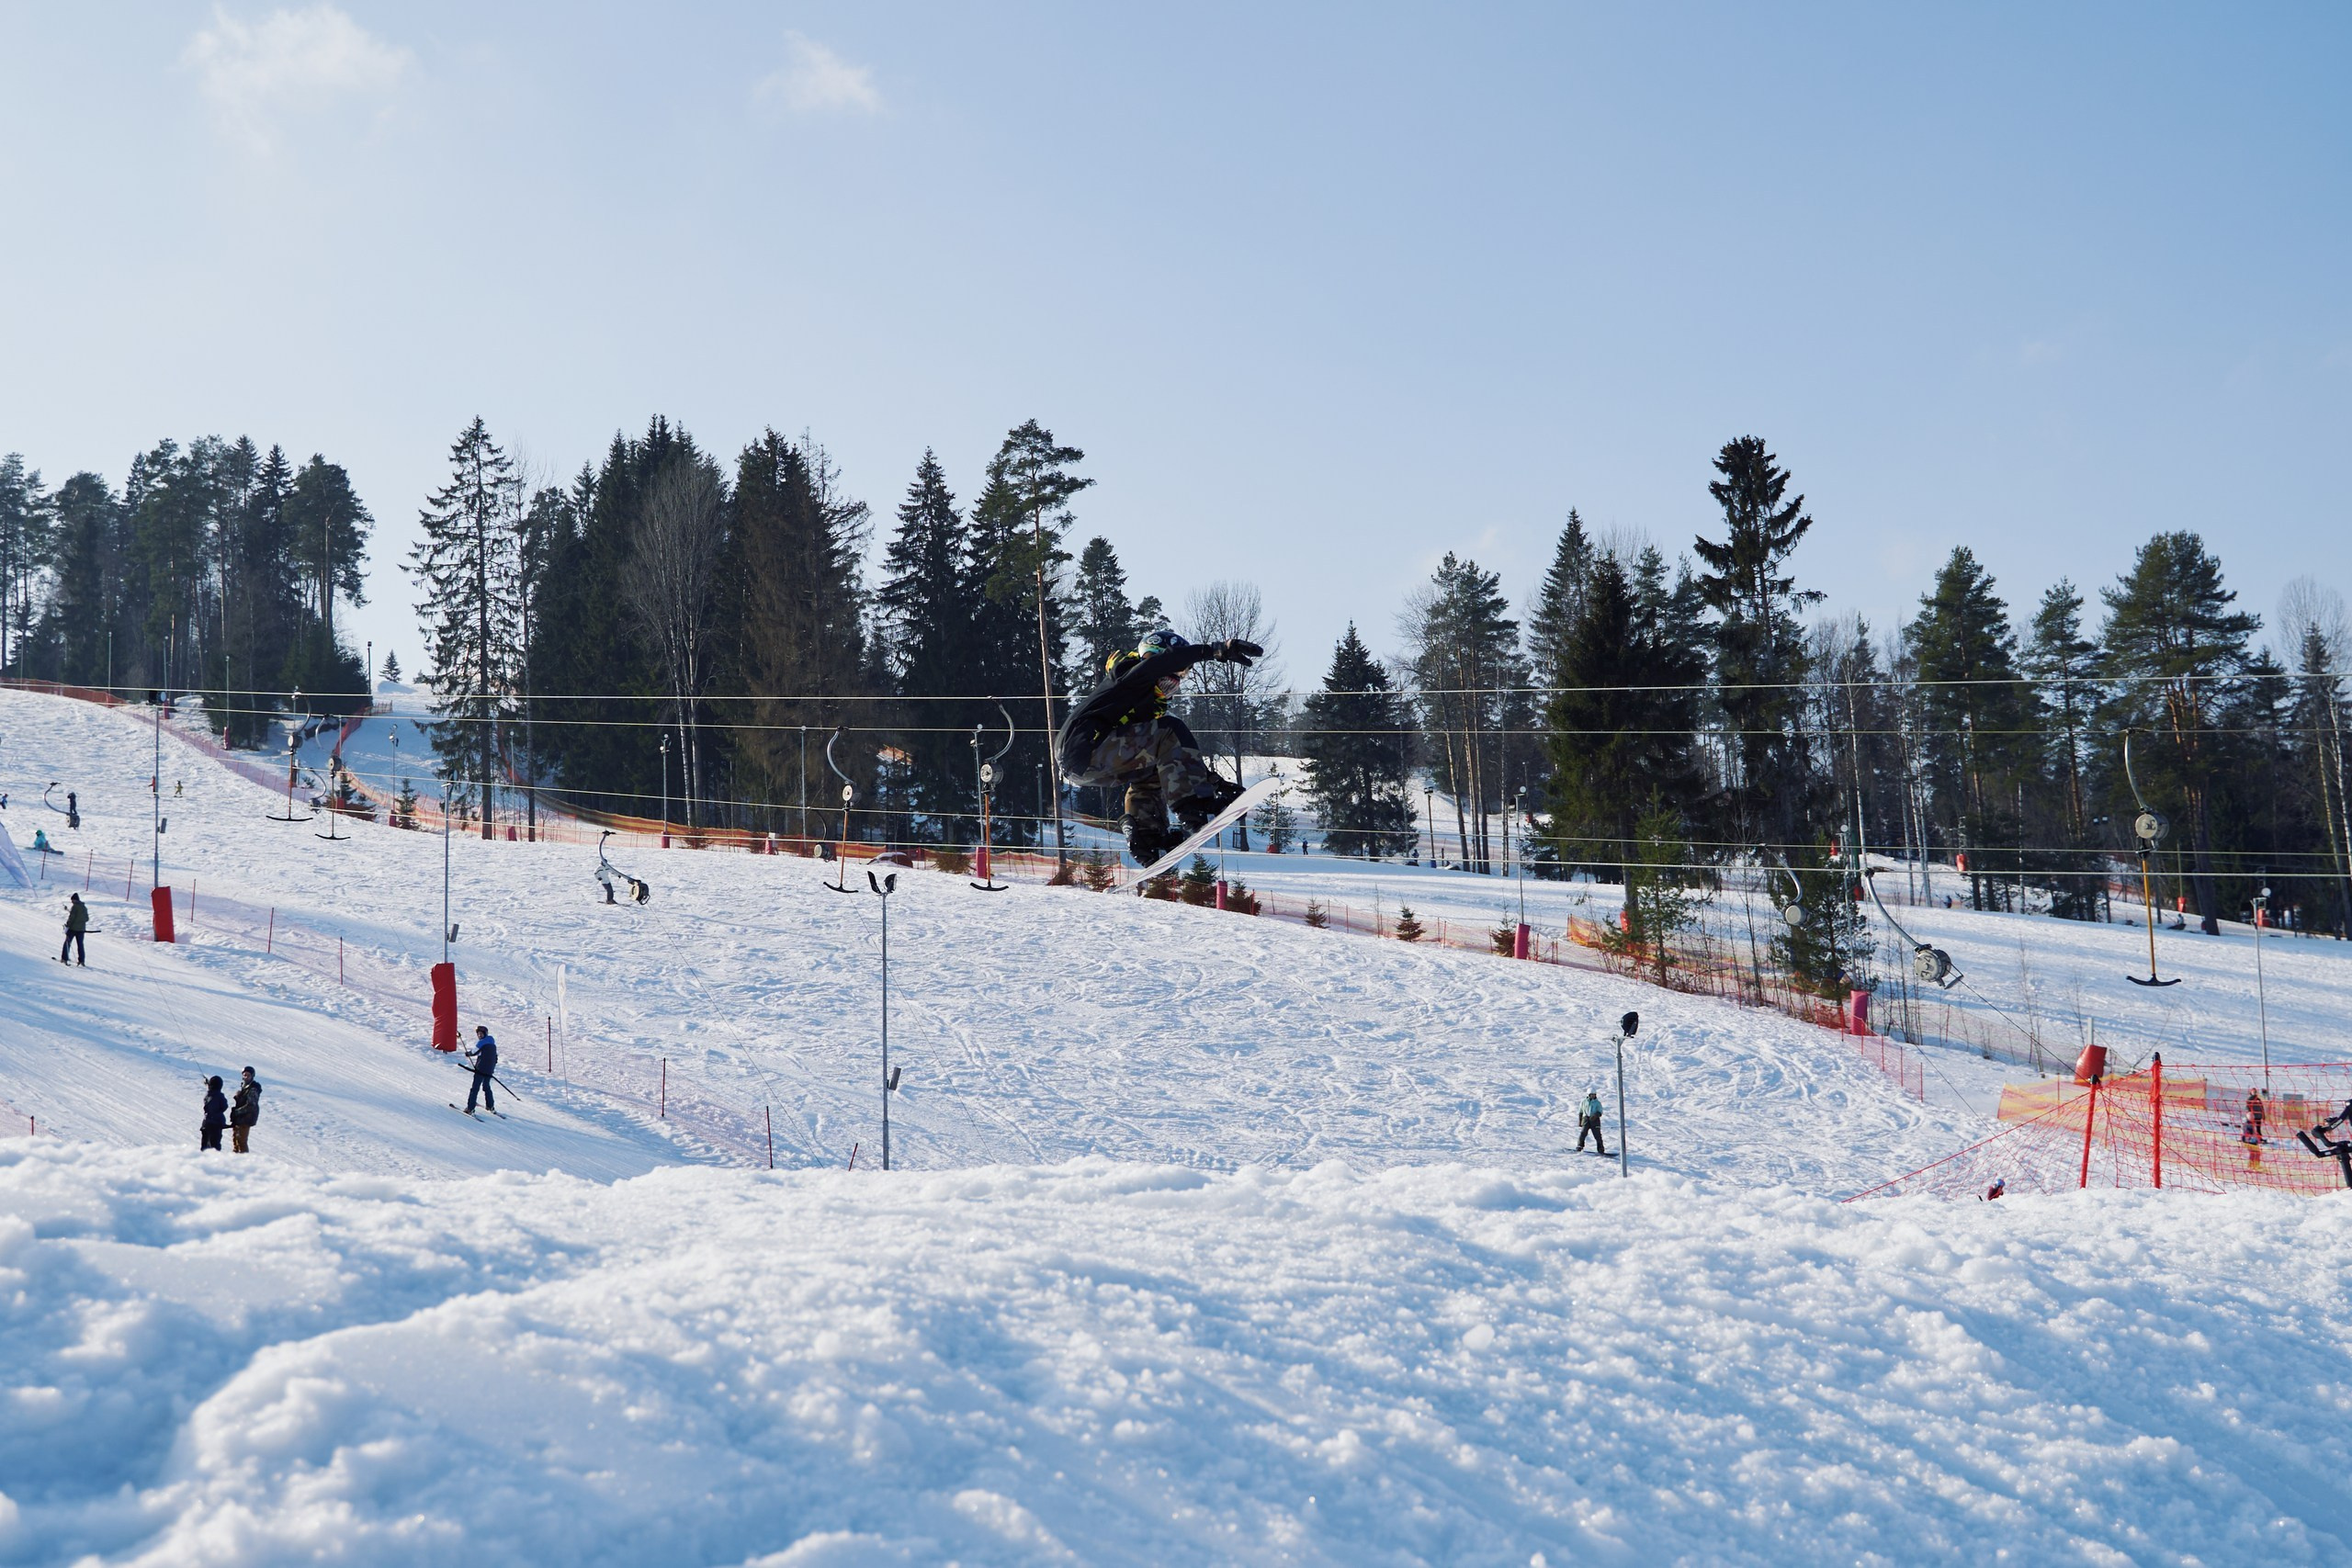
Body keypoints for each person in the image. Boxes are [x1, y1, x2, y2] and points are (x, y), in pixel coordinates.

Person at [1055, 628, 1261, 864]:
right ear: (1152, 659)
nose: (1167, 692)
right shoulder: (1129, 673)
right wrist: (1214, 650)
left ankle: (1147, 836)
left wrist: (1218, 784)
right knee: (1171, 728)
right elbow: (1156, 666)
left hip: (1086, 764)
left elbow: (1174, 759)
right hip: (1085, 747)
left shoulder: (1143, 705)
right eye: (1165, 682)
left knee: (1153, 767)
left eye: (1174, 686)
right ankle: (1193, 805)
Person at [464, 1026, 499, 1114]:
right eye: (478, 1034)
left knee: (475, 1088)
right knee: (486, 1087)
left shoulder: (482, 1042)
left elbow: (474, 1052)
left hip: (481, 1070)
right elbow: (495, 1058)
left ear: (485, 1034)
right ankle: (490, 1106)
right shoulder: (492, 1044)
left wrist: (468, 1054)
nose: (479, 1036)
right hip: (489, 1070)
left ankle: (470, 1108)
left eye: (481, 1034)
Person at [230, 1067, 262, 1154]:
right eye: (244, 1075)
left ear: (252, 1076)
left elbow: (251, 1105)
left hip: (246, 1119)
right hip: (240, 1118)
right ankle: (234, 1160)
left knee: (241, 1142)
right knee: (236, 1140)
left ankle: (244, 1161)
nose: (246, 1077)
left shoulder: (253, 1089)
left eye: (248, 1075)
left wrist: (237, 1112)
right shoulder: (245, 1087)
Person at [59, 894, 89, 966]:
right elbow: (86, 919)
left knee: (67, 943)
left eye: (72, 900)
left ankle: (64, 958)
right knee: (80, 945)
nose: (72, 901)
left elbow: (71, 918)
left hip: (73, 929)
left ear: (75, 900)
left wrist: (67, 926)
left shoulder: (74, 907)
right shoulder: (84, 907)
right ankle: (81, 961)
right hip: (81, 930)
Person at [1575, 1089, 1608, 1156]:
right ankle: (1580, 1146)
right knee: (1583, 1133)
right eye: (1591, 1095)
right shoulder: (1584, 1102)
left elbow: (1600, 1111)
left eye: (1594, 1095)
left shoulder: (1597, 1103)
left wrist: (1596, 1115)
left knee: (1597, 1135)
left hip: (1595, 1120)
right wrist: (1580, 1120)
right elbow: (1581, 1111)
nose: (1593, 1096)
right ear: (1588, 1095)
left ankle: (1600, 1148)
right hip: (1586, 1119)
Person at [200, 1076, 228, 1152]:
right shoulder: (220, 1096)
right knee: (215, 1145)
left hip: (206, 1123)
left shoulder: (207, 1095)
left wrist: (207, 1085)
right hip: (216, 1124)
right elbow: (224, 1107)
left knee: (205, 1143)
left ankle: (202, 1159)